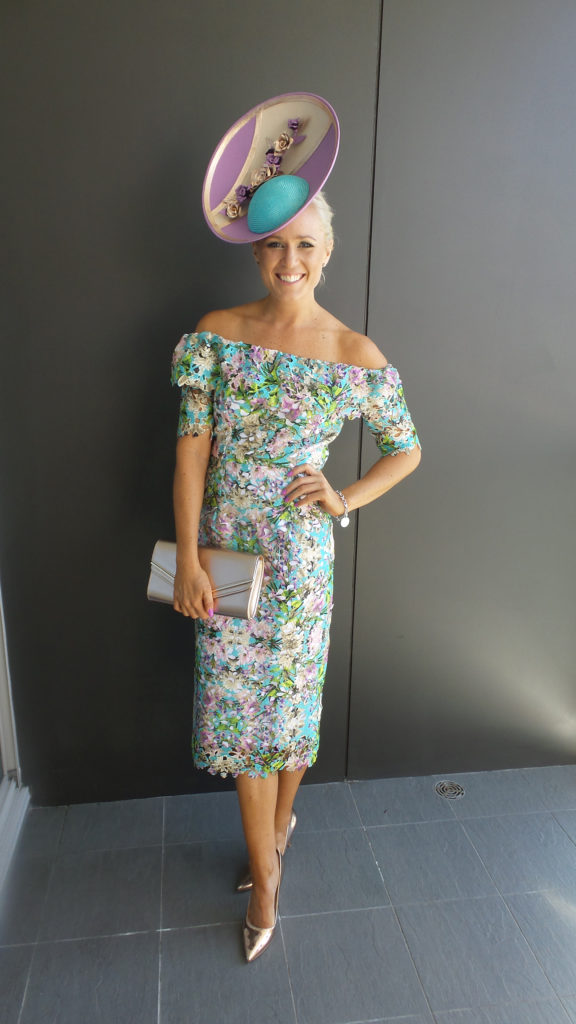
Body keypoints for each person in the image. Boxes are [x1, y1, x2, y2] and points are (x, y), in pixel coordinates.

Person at [170, 94, 420, 961]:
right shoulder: (216, 337)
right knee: (240, 713)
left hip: (304, 561)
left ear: (328, 253)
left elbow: (406, 451)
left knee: (291, 711)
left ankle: (280, 827)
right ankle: (267, 875)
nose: (289, 259)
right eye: (274, 242)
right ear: (255, 246)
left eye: (305, 244)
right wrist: (194, 557)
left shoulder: (356, 355)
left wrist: (342, 498)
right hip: (227, 559)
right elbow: (191, 458)